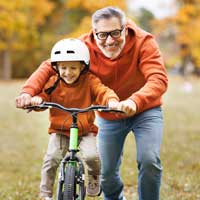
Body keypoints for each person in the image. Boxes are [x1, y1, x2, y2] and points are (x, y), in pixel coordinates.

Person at [15, 6, 168, 200]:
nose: (110, 40)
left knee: (149, 160)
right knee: (106, 171)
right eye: (102, 35)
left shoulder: (143, 41)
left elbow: (158, 78)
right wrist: (28, 93)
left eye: (115, 33)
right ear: (93, 32)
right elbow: (50, 66)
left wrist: (134, 101)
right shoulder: (83, 45)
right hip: (108, 113)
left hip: (145, 110)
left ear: (125, 28)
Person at [17, 38, 120, 200]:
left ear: (83, 67)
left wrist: (111, 101)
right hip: (60, 131)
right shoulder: (53, 82)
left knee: (92, 157)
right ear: (56, 68)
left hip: (85, 131)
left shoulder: (90, 81)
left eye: (73, 68)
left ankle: (94, 178)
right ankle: (45, 194)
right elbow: (43, 97)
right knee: (51, 159)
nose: (68, 72)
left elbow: (103, 91)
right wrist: (38, 100)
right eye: (63, 67)